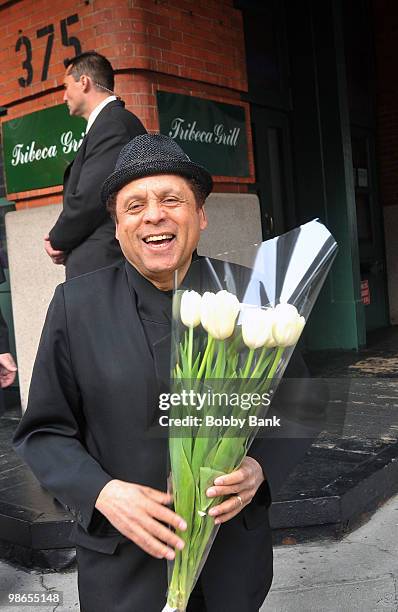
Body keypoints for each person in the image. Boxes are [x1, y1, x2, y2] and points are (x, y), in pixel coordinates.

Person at [14, 134, 319, 611]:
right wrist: (104, 493)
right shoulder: (76, 306)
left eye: (171, 199)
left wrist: (260, 469)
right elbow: (44, 433)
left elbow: (299, 402)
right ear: (117, 228)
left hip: (231, 568)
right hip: (124, 572)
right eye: (134, 205)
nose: (153, 214)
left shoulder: (250, 297)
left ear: (200, 215)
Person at [44, 51, 146, 279]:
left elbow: (90, 199)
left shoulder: (113, 125)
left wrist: (57, 239)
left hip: (107, 265)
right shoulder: (110, 123)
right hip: (103, 263)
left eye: (65, 86)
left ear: (84, 82)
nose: (63, 97)